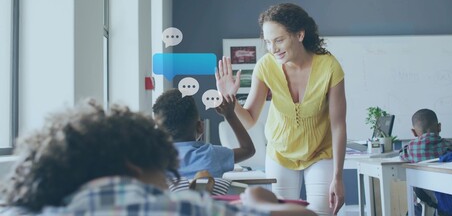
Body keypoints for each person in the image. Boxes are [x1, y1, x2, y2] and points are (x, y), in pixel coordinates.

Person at [0, 99, 317, 216]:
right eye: (162, 172)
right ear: (133, 170)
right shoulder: (140, 202)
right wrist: (258, 202)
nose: (167, 183)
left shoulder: (24, 206)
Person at [216, 3, 347, 215]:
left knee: (323, 212)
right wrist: (231, 98)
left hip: (320, 152)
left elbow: (338, 125)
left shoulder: (329, 67)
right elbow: (249, 119)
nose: (273, 49)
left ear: (300, 35)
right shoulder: (266, 65)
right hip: (280, 152)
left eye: (279, 40)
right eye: (268, 42)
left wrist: (338, 177)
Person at [152, 88, 255, 178]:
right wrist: (230, 116)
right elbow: (248, 149)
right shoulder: (211, 155)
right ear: (200, 127)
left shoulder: (155, 161)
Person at [399, 108, 452, 216]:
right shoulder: (449, 145)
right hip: (448, 199)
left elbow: (402, 155)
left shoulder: (411, 149)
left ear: (414, 132)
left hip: (424, 199)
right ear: (439, 127)